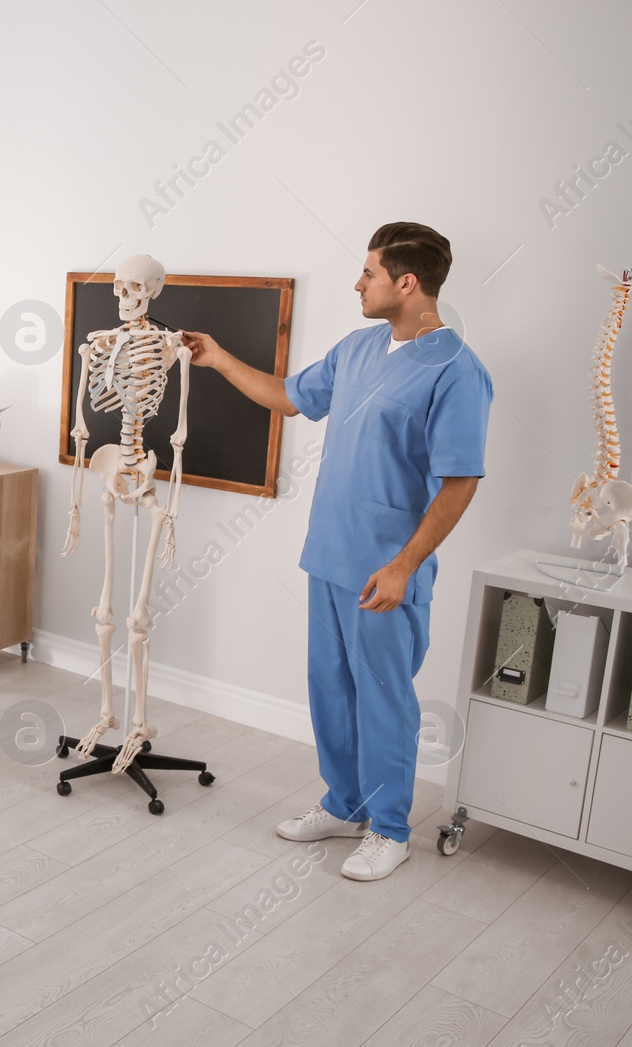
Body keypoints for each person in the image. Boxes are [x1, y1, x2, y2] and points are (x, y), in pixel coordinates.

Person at [185, 222, 492, 881]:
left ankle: (389, 828)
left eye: (370, 272)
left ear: (406, 283)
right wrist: (217, 357)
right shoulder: (356, 350)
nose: (358, 282)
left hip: (385, 569)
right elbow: (288, 398)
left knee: (384, 697)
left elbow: (459, 482)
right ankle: (345, 803)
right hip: (328, 555)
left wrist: (404, 565)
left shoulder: (457, 372)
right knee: (330, 688)